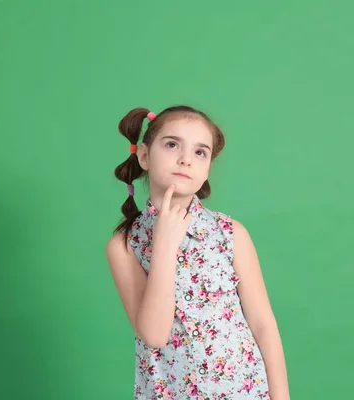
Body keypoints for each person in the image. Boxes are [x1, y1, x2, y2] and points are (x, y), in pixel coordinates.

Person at [105, 106, 290, 399]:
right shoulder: (125, 245)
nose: (185, 159)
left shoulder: (231, 233)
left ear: (207, 170)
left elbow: (263, 325)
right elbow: (154, 335)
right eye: (172, 144)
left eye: (200, 152)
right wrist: (164, 244)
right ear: (144, 155)